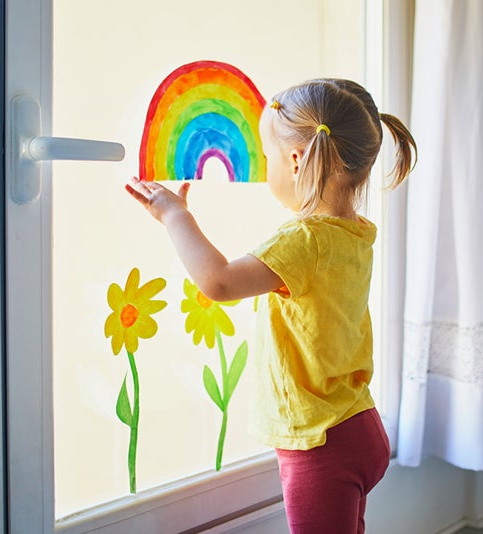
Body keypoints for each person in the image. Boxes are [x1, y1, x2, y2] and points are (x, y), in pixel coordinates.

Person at [125, 78, 416, 533]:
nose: (264, 167)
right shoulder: (354, 230)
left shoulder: (303, 241)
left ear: (297, 160)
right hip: (358, 423)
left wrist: (175, 215)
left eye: (267, 158)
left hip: (321, 445)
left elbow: (218, 281)